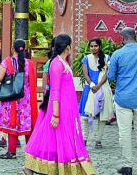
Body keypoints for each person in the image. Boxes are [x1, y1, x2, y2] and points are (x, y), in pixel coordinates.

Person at [24, 34, 94, 175]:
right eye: (70, 44)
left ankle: (38, 167)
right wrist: (56, 114)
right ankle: (30, 166)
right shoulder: (56, 63)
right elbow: (55, 90)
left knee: (55, 137)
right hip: (59, 108)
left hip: (67, 108)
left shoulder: (63, 62)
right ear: (67, 46)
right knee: (47, 135)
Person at [107, 28, 137, 175]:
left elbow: (111, 76)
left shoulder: (117, 54)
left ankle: (127, 166)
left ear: (123, 39)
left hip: (123, 99)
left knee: (125, 132)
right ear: (135, 37)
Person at [0, 39, 38, 160]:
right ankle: (30, 153)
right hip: (26, 99)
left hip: (11, 98)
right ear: (24, 49)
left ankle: (11, 152)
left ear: (13, 49)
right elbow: (32, 82)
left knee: (12, 125)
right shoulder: (29, 63)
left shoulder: (7, 62)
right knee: (27, 125)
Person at [78, 38, 114, 149]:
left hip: (103, 88)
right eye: (91, 46)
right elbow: (86, 74)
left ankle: (98, 140)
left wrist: (98, 86)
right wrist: (92, 85)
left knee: (102, 116)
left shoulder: (107, 58)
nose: (93, 48)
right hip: (90, 89)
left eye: (96, 46)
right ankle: (84, 139)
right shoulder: (86, 58)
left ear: (100, 46)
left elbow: (107, 74)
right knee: (85, 116)